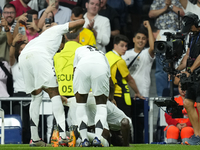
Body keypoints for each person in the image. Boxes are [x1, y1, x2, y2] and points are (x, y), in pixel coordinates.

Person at [18, 19, 85, 147]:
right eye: (61, 48)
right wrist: (73, 30)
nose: (59, 50)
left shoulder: (41, 38)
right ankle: (63, 136)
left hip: (24, 57)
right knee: (54, 93)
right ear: (63, 40)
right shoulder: (58, 30)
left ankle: (35, 139)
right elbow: (81, 21)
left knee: (36, 96)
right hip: (39, 57)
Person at [121, 21, 154, 143]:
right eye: (138, 38)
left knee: (140, 127)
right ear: (133, 39)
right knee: (126, 124)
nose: (141, 40)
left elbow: (153, 47)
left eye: (144, 39)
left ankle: (139, 145)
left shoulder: (146, 54)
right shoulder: (125, 54)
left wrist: (149, 28)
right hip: (127, 95)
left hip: (142, 95)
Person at [73, 45, 110, 147]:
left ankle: (84, 140)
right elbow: (110, 80)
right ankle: (97, 138)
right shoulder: (102, 54)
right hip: (100, 67)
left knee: (80, 105)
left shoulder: (79, 49)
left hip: (82, 67)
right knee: (101, 106)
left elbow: (75, 70)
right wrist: (110, 97)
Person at [105, 34, 144, 118]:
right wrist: (137, 92)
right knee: (124, 122)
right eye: (122, 46)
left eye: (126, 46)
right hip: (118, 95)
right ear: (115, 45)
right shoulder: (119, 61)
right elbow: (129, 79)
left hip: (106, 95)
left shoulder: (106, 56)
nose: (125, 49)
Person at [176, 12, 200, 145]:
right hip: (193, 75)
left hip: (198, 74)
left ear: (197, 24)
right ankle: (198, 135)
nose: (189, 29)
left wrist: (190, 70)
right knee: (188, 103)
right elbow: (188, 56)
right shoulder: (192, 36)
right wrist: (177, 69)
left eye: (191, 26)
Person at [9, 33, 31, 144]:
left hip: (31, 96)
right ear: (18, 51)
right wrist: (13, 43)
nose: (23, 51)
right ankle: (19, 142)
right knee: (20, 124)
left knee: (30, 124)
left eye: (25, 49)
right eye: (21, 49)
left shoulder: (32, 64)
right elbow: (11, 56)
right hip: (18, 97)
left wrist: (28, 43)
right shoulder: (14, 64)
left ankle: (29, 142)